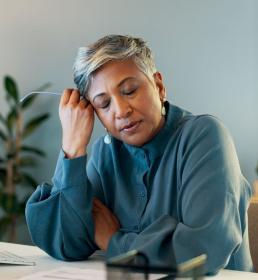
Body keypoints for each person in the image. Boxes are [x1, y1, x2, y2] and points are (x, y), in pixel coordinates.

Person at [25, 34, 254, 274]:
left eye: (129, 90)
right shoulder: (106, 152)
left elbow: (204, 251)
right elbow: (68, 244)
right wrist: (72, 148)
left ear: (159, 85)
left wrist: (113, 241)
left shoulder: (205, 136)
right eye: (103, 104)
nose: (121, 111)